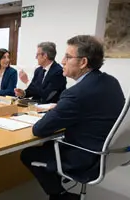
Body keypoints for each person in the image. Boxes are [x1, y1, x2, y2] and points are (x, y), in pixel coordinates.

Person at [20, 35, 125, 200]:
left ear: (83, 62)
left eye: (68, 57)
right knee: (49, 145)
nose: (62, 61)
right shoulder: (111, 82)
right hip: (110, 153)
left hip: (86, 157)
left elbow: (39, 129)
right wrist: (62, 108)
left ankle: (60, 195)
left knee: (28, 154)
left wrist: (60, 108)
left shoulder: (75, 94)